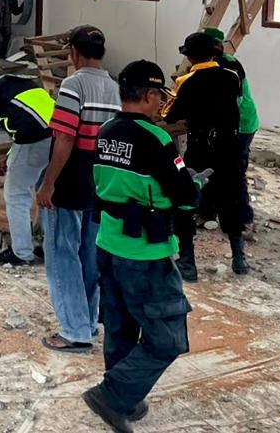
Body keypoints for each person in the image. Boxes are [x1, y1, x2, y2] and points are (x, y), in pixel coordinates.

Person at [83, 60, 203, 433]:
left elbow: (101, 182)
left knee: (120, 327)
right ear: (150, 96)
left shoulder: (105, 130)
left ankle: (126, 399)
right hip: (145, 253)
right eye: (160, 97)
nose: (160, 104)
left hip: (109, 244)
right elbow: (184, 197)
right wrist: (195, 188)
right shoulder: (157, 139)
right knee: (167, 338)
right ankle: (113, 394)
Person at [35, 25, 120, 353]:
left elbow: (66, 138)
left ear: (74, 54)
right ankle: (87, 322)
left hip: (71, 181)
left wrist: (49, 183)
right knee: (88, 254)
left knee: (61, 255)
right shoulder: (113, 88)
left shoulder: (73, 85)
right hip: (100, 182)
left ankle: (73, 331)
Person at [163, 32, 245, 280]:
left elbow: (170, 116)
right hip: (229, 147)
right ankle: (239, 258)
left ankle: (188, 262)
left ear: (188, 56)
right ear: (215, 53)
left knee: (186, 200)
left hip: (200, 148)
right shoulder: (232, 77)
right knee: (231, 198)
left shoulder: (186, 81)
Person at [0, 57, 54, 266]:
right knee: (47, 193)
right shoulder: (24, 82)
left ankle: (22, 253)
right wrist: (8, 160)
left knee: (16, 195)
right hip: (57, 139)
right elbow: (26, 119)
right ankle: (50, 248)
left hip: (33, 139)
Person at [203, 27, 259, 237]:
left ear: (216, 47)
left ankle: (244, 221)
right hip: (221, 125)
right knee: (211, 165)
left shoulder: (229, 66)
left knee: (234, 171)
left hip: (241, 124)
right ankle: (207, 212)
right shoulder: (208, 63)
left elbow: (233, 100)